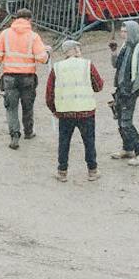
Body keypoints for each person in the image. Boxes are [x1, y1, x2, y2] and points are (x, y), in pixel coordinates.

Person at [45, 42, 108, 179]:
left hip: (65, 112)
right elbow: (98, 86)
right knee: (89, 142)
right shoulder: (87, 64)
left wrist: (55, 110)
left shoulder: (57, 67)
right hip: (86, 111)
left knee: (64, 142)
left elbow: (49, 94)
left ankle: (62, 172)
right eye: (78, 48)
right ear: (74, 50)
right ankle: (92, 170)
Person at [0, 12, 49, 149]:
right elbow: (42, 58)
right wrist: (48, 53)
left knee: (11, 107)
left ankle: (14, 135)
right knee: (28, 106)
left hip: (9, 77)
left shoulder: (5, 34)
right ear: (29, 19)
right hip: (28, 77)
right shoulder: (33, 36)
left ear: (15, 18)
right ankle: (28, 131)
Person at [108, 18, 139, 162]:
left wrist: (131, 90)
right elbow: (116, 65)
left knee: (126, 122)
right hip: (121, 89)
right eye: (122, 31)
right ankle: (127, 148)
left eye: (125, 31)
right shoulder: (125, 46)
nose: (122, 33)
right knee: (120, 120)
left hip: (129, 91)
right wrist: (114, 51)